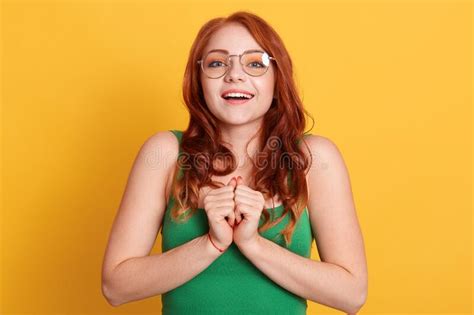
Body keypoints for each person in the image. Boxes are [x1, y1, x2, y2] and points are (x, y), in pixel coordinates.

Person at [101, 11, 368, 315]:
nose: (234, 74)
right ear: (198, 79)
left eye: (255, 63)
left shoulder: (315, 160)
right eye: (217, 63)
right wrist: (211, 244)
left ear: (277, 77)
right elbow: (115, 286)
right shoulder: (164, 154)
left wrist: (253, 244)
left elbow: (352, 294)